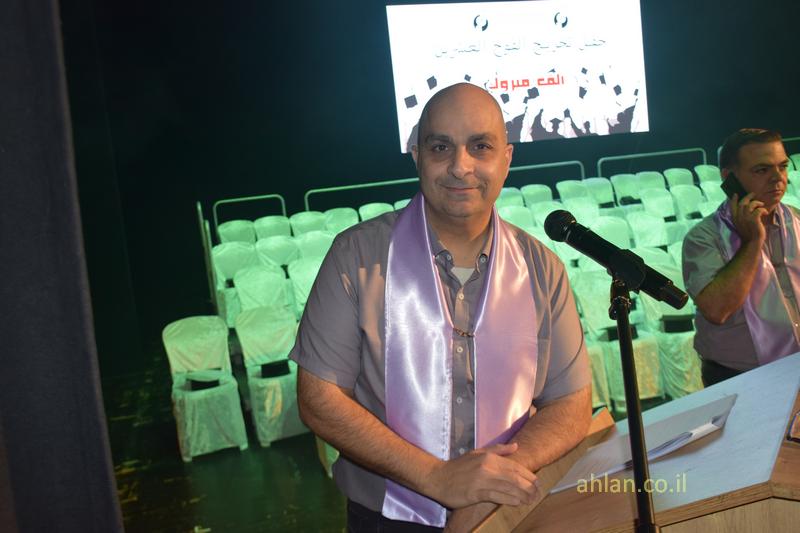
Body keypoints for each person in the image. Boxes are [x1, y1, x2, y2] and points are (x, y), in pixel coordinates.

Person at [290, 83, 592, 531]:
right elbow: (320, 399)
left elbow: (570, 402)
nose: (460, 166)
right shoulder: (356, 256)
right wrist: (437, 478)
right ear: (417, 155)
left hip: (508, 514)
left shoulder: (541, 268)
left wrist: (491, 485)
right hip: (387, 519)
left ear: (506, 158)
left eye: (480, 147)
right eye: (440, 147)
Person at [682, 128, 798, 386]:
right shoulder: (703, 238)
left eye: (782, 166)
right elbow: (717, 310)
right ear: (729, 178)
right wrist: (752, 242)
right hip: (738, 378)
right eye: (762, 170)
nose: (778, 178)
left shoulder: (797, 220)